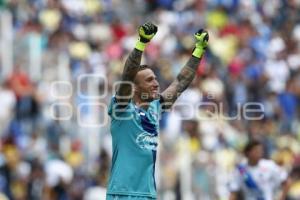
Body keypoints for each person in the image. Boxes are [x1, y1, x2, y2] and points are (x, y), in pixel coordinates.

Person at [106, 22, 209, 200]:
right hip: (122, 193)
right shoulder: (121, 108)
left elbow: (181, 82)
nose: (156, 83)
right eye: (149, 80)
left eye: (155, 79)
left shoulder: (155, 108)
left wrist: (199, 50)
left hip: (148, 194)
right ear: (135, 88)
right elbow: (127, 75)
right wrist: (141, 44)